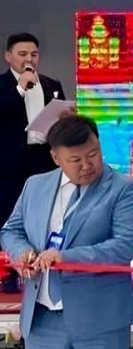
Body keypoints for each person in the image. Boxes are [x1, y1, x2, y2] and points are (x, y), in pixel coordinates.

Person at [0, 114, 133, 349]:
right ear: (56, 157)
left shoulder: (123, 188)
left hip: (101, 316)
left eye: (93, 154)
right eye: (75, 159)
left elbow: (125, 245)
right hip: (44, 316)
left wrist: (68, 257)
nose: (87, 165)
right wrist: (23, 253)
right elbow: (11, 230)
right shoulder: (36, 186)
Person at [0, 32, 68, 293]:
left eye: (34, 54)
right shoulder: (3, 85)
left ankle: (43, 265)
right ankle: (8, 272)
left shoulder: (51, 84)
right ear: (8, 56)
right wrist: (20, 89)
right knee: (9, 215)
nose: (29, 59)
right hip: (10, 163)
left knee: (43, 212)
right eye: (23, 54)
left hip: (43, 159)